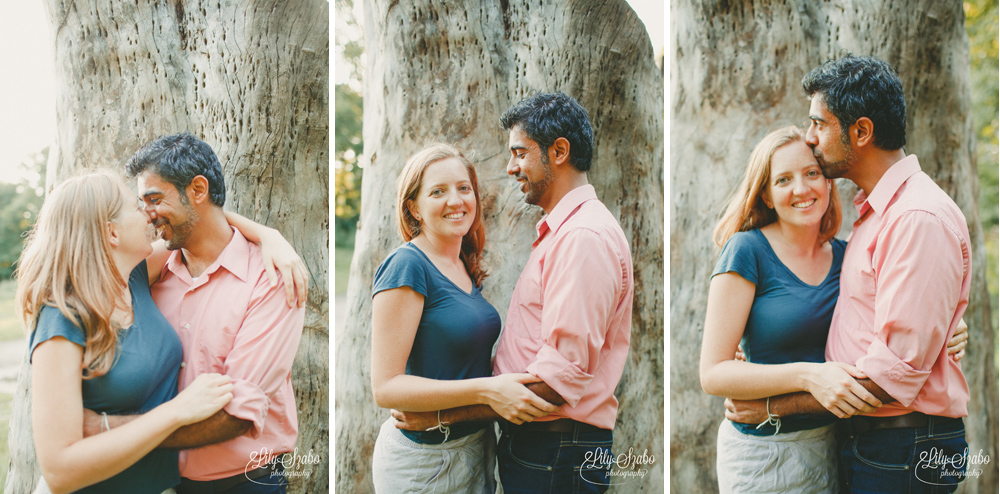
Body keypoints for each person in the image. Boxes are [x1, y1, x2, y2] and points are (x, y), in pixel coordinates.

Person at [725, 55, 972, 493]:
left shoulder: (915, 217)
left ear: (860, 131)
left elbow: (891, 374)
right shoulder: (877, 213)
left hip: (904, 445)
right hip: (873, 441)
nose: (809, 136)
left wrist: (773, 405)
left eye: (819, 123)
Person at [393, 92, 635, 494]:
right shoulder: (568, 232)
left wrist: (444, 416)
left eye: (519, 153)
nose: (510, 167)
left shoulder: (582, 238)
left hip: (556, 451)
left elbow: (558, 382)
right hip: (548, 449)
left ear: (559, 151)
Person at [80, 132, 307, 493]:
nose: (147, 215)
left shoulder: (270, 279)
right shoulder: (148, 268)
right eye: (141, 203)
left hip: (243, 484)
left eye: (154, 199)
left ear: (198, 190)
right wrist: (267, 232)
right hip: (163, 482)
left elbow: (235, 416)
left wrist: (105, 429)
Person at [19, 171, 234, 494]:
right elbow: (60, 471)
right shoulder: (62, 321)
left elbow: (204, 226)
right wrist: (175, 412)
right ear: (112, 233)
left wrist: (271, 238)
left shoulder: (132, 279)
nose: (148, 213)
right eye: (136, 207)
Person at [700, 126, 883, 493]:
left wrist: (949, 327)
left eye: (812, 173)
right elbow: (713, 374)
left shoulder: (850, 256)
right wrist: (808, 375)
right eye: (783, 179)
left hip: (836, 444)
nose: (801, 189)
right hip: (761, 454)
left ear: (828, 181)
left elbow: (898, 315)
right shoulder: (746, 250)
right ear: (766, 195)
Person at [369, 143, 558, 493]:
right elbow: (386, 387)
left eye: (463, 188)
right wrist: (489, 390)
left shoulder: (462, 263)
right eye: (438, 191)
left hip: (475, 447)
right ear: (414, 208)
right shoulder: (407, 266)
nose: (455, 201)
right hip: (425, 461)